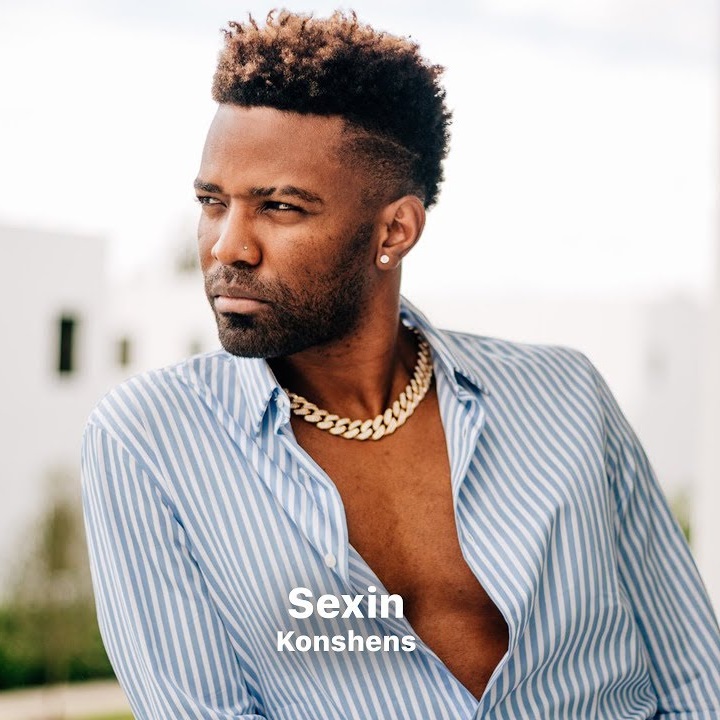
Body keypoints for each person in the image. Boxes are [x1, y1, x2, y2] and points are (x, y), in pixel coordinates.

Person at [81, 10, 720, 720]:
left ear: (395, 229)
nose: (228, 246)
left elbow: (694, 676)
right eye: (212, 202)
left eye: (280, 207)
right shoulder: (147, 441)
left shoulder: (567, 398)